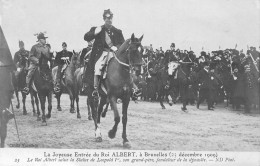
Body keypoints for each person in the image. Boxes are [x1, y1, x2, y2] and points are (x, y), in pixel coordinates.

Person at [84, 9, 125, 96]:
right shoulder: (99, 29)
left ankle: (126, 89)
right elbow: (86, 37)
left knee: (123, 68)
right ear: (104, 19)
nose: (109, 20)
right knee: (97, 67)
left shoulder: (117, 31)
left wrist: (116, 47)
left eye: (110, 18)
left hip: (114, 54)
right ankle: (96, 88)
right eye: (107, 19)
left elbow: (122, 43)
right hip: (102, 54)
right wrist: (95, 32)